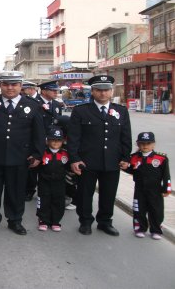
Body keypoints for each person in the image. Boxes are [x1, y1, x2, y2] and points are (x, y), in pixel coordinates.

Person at [0, 71, 45, 235]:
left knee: (16, 192)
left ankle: (15, 221)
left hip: (20, 157)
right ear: (0, 85)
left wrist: (38, 154)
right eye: (6, 84)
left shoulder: (32, 105)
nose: (10, 88)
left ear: (20, 86)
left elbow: (39, 133)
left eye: (14, 84)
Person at [67, 75, 132, 236]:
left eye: (106, 90)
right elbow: (74, 138)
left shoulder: (120, 111)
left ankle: (105, 222)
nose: (103, 94)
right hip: (87, 161)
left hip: (112, 161)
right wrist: (74, 159)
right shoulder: (81, 111)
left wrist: (125, 158)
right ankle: (85, 221)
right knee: (84, 194)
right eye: (98, 90)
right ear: (93, 92)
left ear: (111, 91)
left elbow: (126, 137)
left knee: (108, 194)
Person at [120, 132, 171, 240]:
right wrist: (125, 167)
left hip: (155, 190)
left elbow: (166, 175)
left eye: (148, 143)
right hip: (139, 190)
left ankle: (156, 230)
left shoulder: (161, 158)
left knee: (156, 210)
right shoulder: (133, 157)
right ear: (138, 144)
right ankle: (140, 229)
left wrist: (167, 188)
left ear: (154, 144)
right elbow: (132, 170)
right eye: (142, 143)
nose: (145, 145)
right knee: (139, 209)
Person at [36, 126, 69, 232]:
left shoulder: (65, 153)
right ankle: (43, 220)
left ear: (63, 141)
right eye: (53, 140)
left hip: (59, 183)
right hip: (44, 182)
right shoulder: (43, 153)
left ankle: (56, 221)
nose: (55, 143)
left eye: (58, 140)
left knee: (58, 201)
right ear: (47, 140)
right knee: (44, 200)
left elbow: (69, 167)